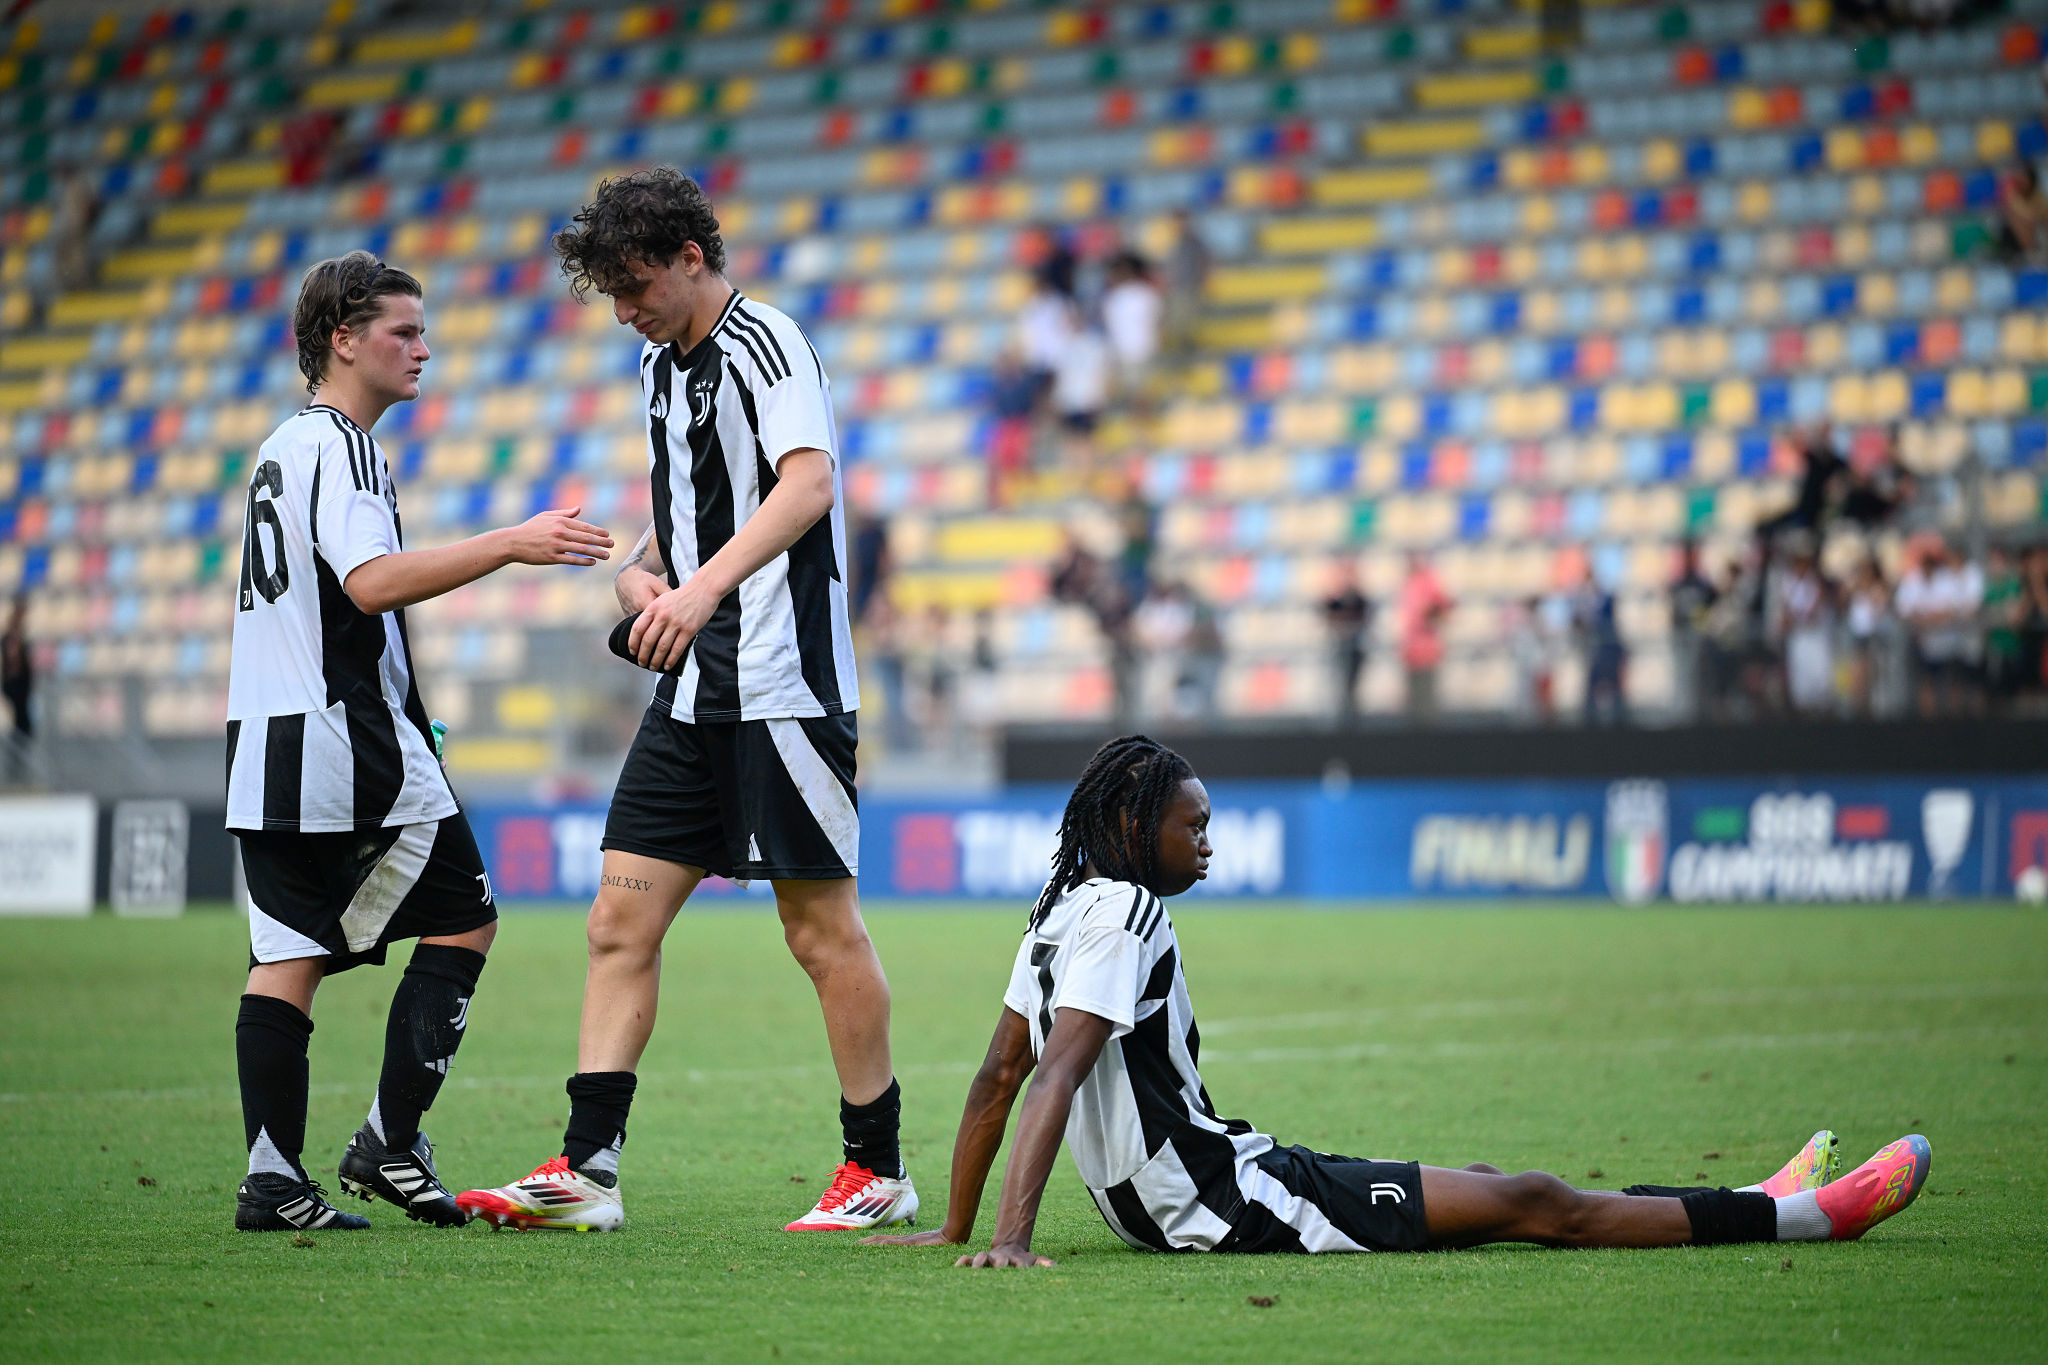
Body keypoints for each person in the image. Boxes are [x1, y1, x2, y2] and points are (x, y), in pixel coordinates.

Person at [865, 736, 1930, 1266]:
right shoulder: (1127, 915)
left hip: (1187, 1191)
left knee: (1472, 1185)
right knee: (1534, 1202)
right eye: (1192, 824)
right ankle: (1802, 1219)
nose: (1207, 841)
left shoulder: (1057, 907)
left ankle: (1757, 1195)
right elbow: (1050, 1072)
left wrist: (956, 1224)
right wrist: (1002, 1237)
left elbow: (996, 1071)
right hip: (1226, 1203)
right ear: (1136, 824)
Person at [457, 168, 916, 1234]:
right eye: (609, 294)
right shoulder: (663, 369)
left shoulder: (769, 344)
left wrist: (705, 586)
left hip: (785, 686)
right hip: (695, 689)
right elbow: (696, 508)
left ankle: (877, 1170)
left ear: (691, 258)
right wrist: (638, 569)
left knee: (818, 931)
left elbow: (805, 484)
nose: (622, 313)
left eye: (634, 286)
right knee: (618, 918)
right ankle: (586, 1171)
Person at [226, 252, 615, 1232]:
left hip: (263, 739)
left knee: (286, 953)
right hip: (342, 739)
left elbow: (325, 603)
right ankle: (390, 1140)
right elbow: (367, 584)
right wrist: (510, 542)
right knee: (467, 914)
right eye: (403, 332)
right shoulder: (346, 446)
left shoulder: (280, 447)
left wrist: (407, 691)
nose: (423, 349)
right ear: (343, 340)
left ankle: (273, 1179)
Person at [1101, 250, 1162, 411]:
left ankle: (1142, 427)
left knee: (1140, 393)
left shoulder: (1144, 294)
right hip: (1124, 352)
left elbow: (1155, 321)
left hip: (1140, 350)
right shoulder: (1114, 297)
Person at [1667, 541, 1718, 723]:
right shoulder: (1677, 584)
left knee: (1700, 677)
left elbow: (1710, 606)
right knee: (1683, 676)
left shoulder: (1703, 585)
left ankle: (1699, 713)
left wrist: (1701, 627)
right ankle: (1683, 713)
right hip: (1682, 638)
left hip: (1698, 636)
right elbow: (1673, 612)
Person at [1399, 553, 1451, 722]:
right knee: (1413, 700)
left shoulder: (1430, 581)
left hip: (1427, 649)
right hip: (1411, 649)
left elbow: (1442, 609)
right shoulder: (1408, 583)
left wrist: (1429, 616)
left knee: (1427, 699)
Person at [1320, 561, 1372, 725]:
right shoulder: (1336, 599)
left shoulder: (1360, 598)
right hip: (1339, 648)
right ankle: (1340, 718)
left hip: (1355, 649)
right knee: (1338, 683)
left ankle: (1352, 718)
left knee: (1353, 685)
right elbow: (1328, 615)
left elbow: (1363, 618)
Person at [2, 593, 32, 782]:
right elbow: (12, 658)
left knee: (23, 724)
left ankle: (18, 768)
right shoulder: (13, 635)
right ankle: (16, 771)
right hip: (16, 686)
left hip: (18, 686)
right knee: (22, 725)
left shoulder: (15, 633)